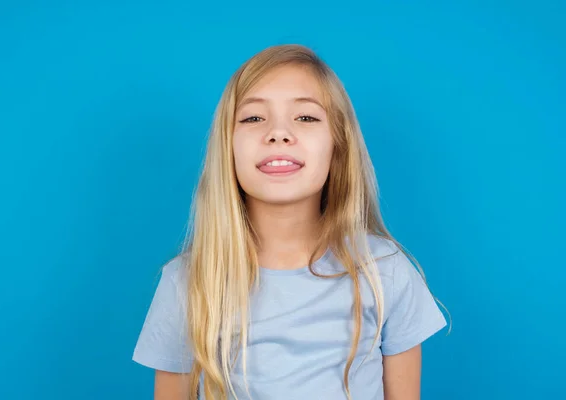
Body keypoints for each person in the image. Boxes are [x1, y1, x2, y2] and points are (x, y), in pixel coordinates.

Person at [132, 44, 447, 400]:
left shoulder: (384, 271)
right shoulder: (188, 283)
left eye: (306, 117)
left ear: (337, 145)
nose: (278, 133)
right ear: (227, 147)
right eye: (253, 118)